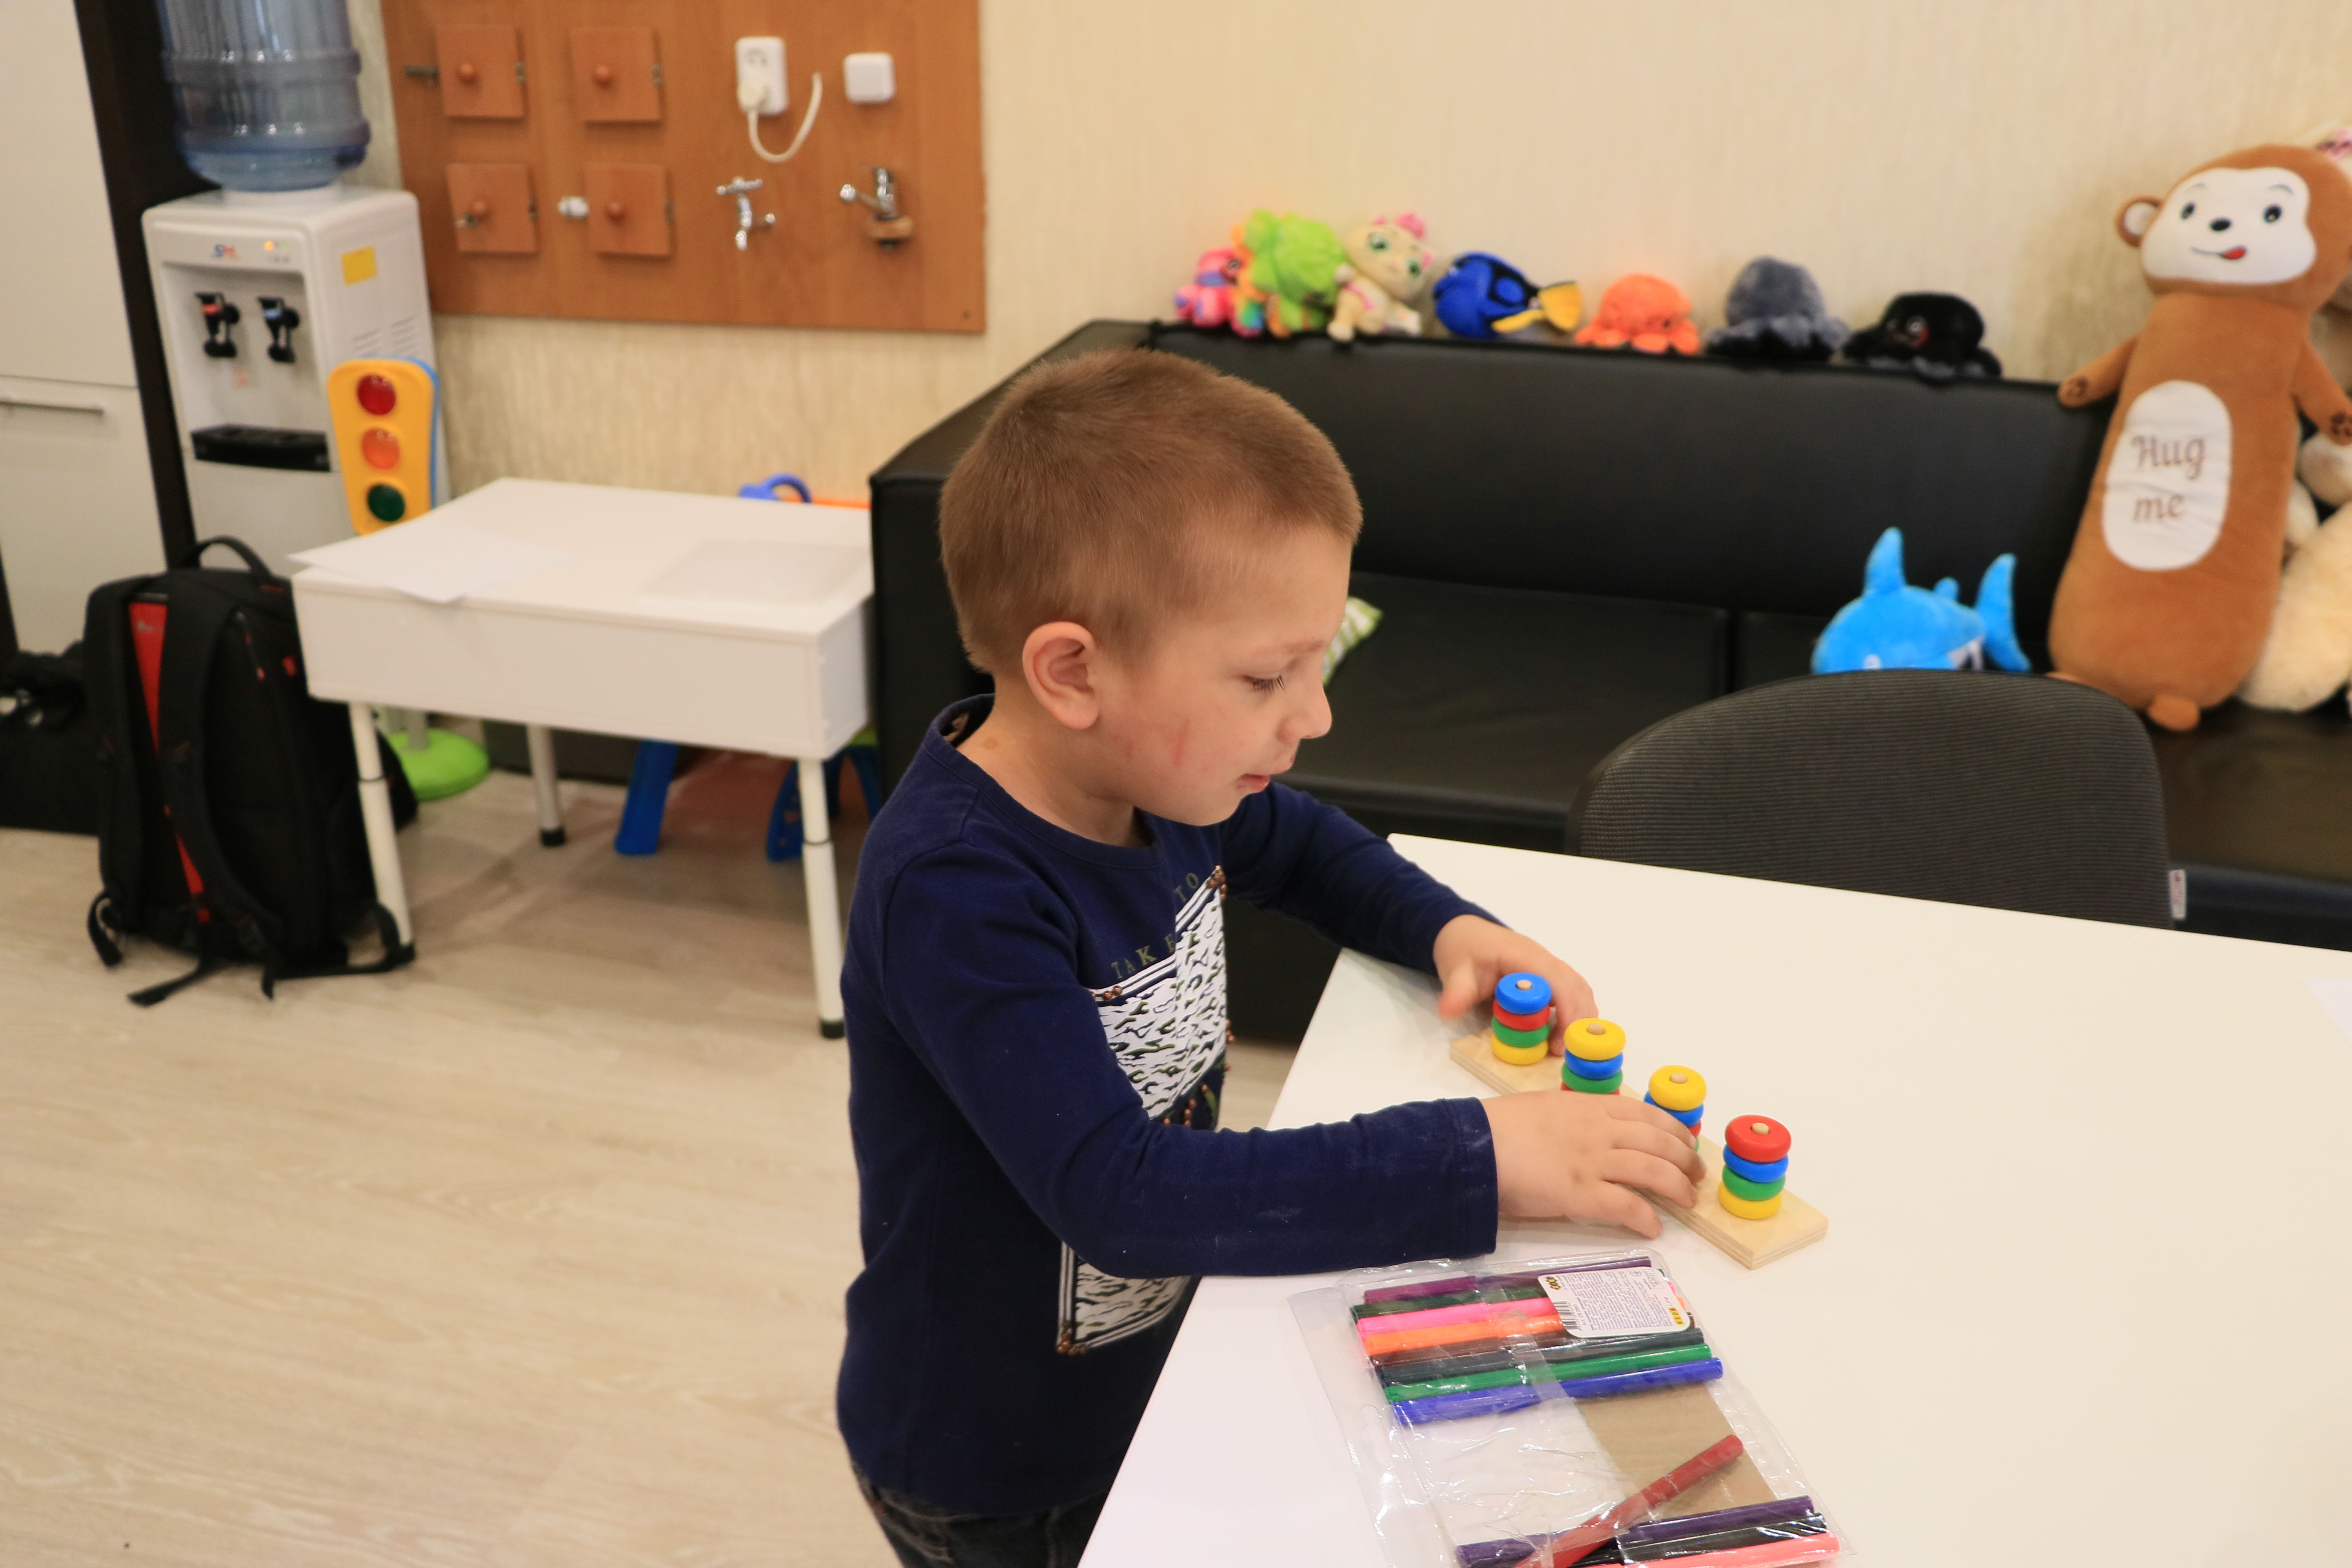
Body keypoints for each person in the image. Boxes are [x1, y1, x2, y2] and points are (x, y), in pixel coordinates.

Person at [838, 349, 1704, 1568]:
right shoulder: (956, 891)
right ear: (1073, 671)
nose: (1316, 714)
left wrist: (1446, 927)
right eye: (1266, 678)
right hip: (999, 1461)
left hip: (1151, 1365)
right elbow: (1123, 1195)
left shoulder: (1161, 780)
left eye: (1319, 660)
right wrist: (1481, 1156)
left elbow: (1301, 846)